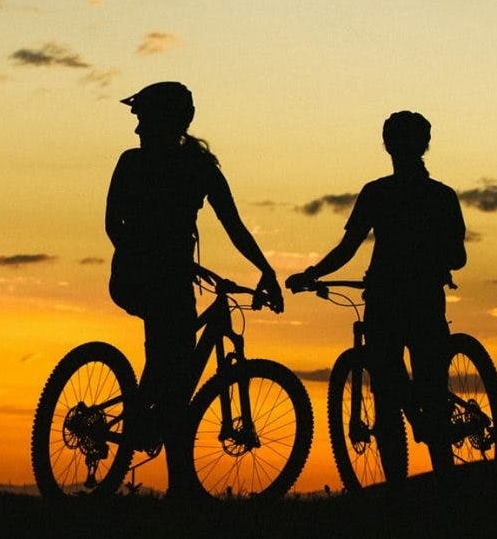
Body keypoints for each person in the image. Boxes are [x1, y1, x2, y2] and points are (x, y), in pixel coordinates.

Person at [104, 81, 281, 497]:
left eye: (143, 121)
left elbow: (234, 226)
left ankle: (171, 464)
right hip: (140, 276)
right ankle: (180, 483)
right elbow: (114, 225)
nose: (137, 131)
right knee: (175, 369)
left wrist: (266, 269)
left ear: (166, 122)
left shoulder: (198, 169)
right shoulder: (134, 163)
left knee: (172, 370)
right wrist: (146, 253)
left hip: (168, 277)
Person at [287, 110, 467, 475]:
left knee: (386, 392)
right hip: (426, 298)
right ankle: (447, 484)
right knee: (429, 389)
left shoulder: (377, 193)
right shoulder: (443, 196)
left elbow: (348, 247)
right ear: (425, 145)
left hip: (385, 298)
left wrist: (312, 274)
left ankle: (396, 489)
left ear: (387, 145)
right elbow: (459, 257)